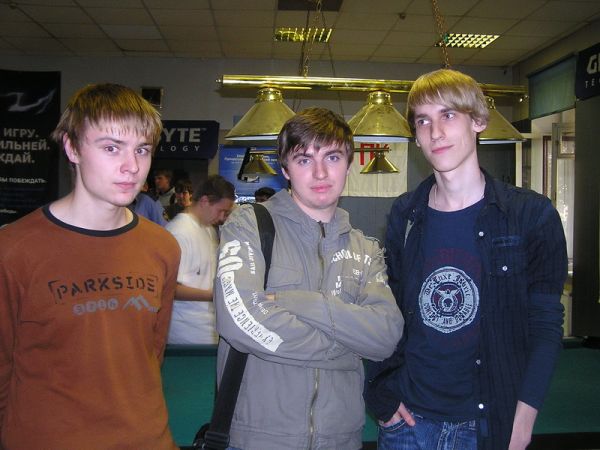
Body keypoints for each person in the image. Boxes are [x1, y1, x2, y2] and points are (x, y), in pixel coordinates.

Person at [364, 69, 568, 450]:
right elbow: (384, 311)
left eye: (448, 115)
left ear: (478, 121)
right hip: (407, 424)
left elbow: (545, 325)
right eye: (423, 121)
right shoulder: (404, 216)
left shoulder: (531, 216)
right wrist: (381, 394)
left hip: (487, 426)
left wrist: (523, 420)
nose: (435, 132)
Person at [0, 83, 181, 450]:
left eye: (142, 149)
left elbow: (152, 353)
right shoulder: (14, 250)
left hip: (148, 440)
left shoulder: (162, 247)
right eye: (111, 148)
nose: (132, 166)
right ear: (72, 148)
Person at [214, 107, 404, 450]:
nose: (320, 172)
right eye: (304, 160)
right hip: (260, 440)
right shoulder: (248, 225)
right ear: (285, 169)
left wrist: (305, 304)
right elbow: (239, 320)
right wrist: (346, 351)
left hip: (342, 440)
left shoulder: (366, 249)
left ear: (349, 164)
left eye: (332, 157)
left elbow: (386, 335)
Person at [166, 175, 235, 345]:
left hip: (208, 328)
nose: (222, 218)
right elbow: (169, 289)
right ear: (204, 201)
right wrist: (215, 295)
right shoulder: (178, 232)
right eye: (221, 210)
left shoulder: (208, 229)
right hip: (186, 334)